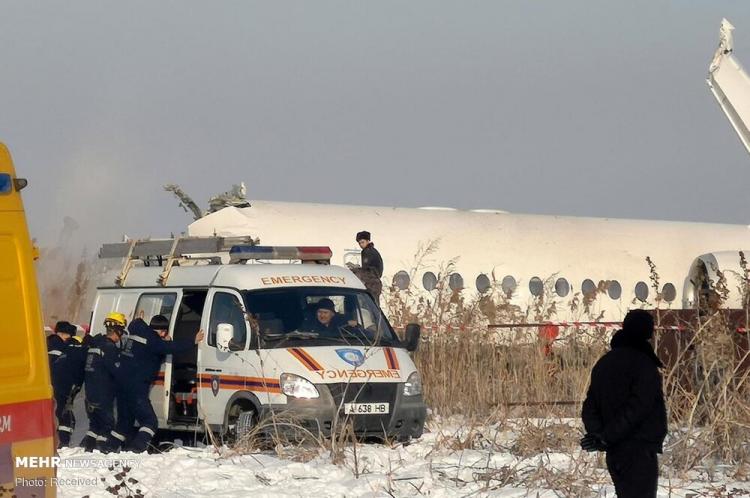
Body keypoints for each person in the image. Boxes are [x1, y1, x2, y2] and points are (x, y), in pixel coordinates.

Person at [581, 309, 668, 498]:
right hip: (639, 450)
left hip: (615, 452)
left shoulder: (604, 363)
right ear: (647, 332)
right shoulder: (644, 364)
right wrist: (607, 436)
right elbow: (639, 408)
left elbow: (589, 406)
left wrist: (599, 436)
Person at [110, 315, 204, 453]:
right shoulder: (154, 341)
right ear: (163, 332)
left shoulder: (137, 330)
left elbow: (151, 354)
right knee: (150, 422)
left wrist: (139, 319)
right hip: (136, 387)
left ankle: (106, 448)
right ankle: (136, 450)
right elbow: (172, 347)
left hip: (121, 384)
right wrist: (193, 341)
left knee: (124, 424)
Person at [81, 312, 126, 452]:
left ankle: (87, 448)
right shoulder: (109, 348)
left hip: (90, 391)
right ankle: (102, 450)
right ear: (118, 330)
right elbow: (116, 370)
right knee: (107, 424)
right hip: (103, 392)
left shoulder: (96, 344)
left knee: (94, 424)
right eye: (122, 331)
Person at [50, 322, 90, 447]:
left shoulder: (50, 344)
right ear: (62, 334)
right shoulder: (59, 347)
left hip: (50, 386)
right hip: (57, 386)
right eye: (68, 337)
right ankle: (62, 441)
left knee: (60, 412)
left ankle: (62, 441)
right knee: (61, 413)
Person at [355, 231, 383, 302]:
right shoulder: (373, 250)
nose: (361, 245)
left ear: (368, 241)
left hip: (371, 282)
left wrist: (356, 270)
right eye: (359, 243)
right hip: (375, 282)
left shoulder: (367, 251)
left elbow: (366, 269)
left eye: (362, 242)